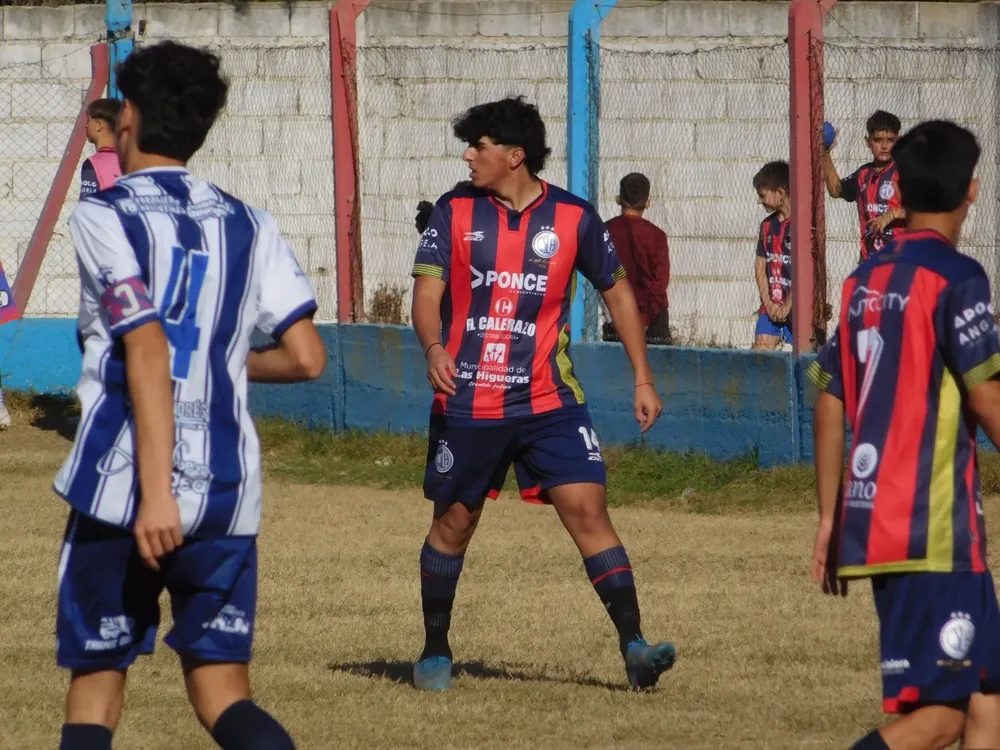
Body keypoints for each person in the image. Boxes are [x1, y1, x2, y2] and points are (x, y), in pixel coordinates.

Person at [55, 41, 326, 750]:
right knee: (222, 695)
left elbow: (144, 346)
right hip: (227, 488)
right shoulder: (250, 222)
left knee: (96, 689)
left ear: (130, 119)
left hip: (124, 487)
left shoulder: (102, 214)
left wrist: (155, 493)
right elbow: (305, 358)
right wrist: (221, 355)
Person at [410, 96, 674, 693]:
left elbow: (619, 296)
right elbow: (425, 298)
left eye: (478, 145)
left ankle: (634, 646)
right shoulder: (452, 213)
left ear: (514, 155)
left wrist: (643, 377)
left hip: (549, 400)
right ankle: (434, 648)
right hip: (468, 399)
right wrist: (432, 348)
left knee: (589, 511)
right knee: (454, 522)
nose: (468, 155)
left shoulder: (575, 219)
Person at [809, 120, 1000, 750]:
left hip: (875, 521)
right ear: (972, 190)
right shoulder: (959, 276)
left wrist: (830, 516)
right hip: (934, 526)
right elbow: (985, 393)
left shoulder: (862, 280)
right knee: (943, 716)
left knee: (987, 698)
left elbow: (829, 396)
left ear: (899, 190)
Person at [822, 110, 905, 264]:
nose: (885, 146)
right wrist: (825, 154)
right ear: (868, 142)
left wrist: (890, 215)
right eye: (878, 140)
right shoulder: (863, 174)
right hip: (869, 261)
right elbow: (836, 190)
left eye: (890, 140)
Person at [602, 173, 671, 346]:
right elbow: (660, 283)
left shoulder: (605, 231)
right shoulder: (657, 235)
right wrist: (647, 318)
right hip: (652, 319)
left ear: (619, 199)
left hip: (616, 314)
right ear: (647, 202)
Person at [751, 161, 792, 350]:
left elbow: (805, 274)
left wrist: (787, 306)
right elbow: (760, 266)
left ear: (781, 193)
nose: (759, 201)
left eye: (763, 195)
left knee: (800, 366)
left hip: (796, 309)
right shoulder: (766, 226)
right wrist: (768, 303)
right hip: (771, 307)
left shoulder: (801, 224)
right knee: (760, 360)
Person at [79, 98, 123, 199]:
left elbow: (87, 203)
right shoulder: (131, 160)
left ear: (98, 125)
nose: (86, 125)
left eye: (88, 120)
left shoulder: (92, 163)